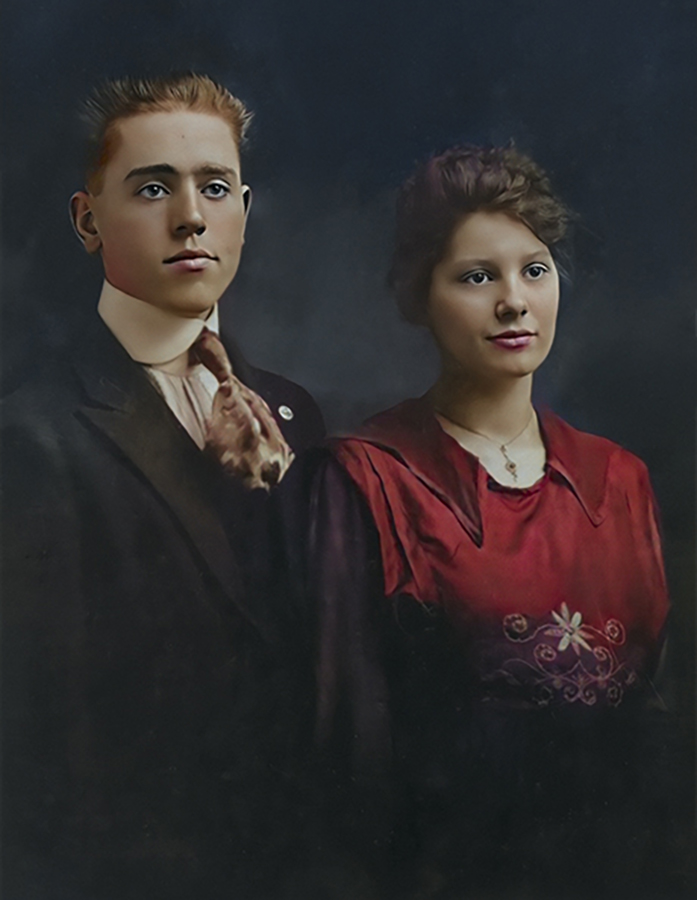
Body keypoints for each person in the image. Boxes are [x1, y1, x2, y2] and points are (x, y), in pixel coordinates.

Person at [310, 145, 690, 898]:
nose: (514, 301)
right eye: (476, 277)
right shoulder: (366, 478)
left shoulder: (618, 479)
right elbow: (345, 750)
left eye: (534, 270)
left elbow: (658, 713)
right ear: (419, 296)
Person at [2, 73, 324, 899]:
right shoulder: (34, 434)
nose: (190, 217)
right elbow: (48, 739)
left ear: (243, 210)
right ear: (87, 221)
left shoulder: (291, 411)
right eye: (153, 188)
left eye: (214, 188)